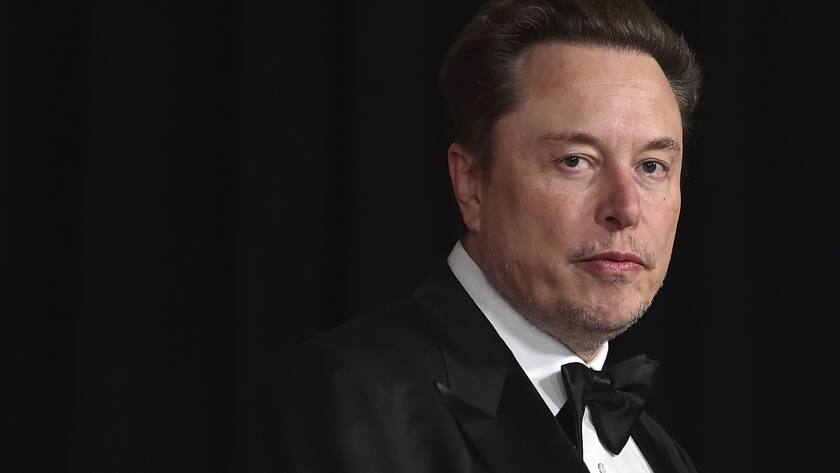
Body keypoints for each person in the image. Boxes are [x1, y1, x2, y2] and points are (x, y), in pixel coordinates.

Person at [266, 0, 702, 472]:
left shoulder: (662, 456)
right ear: (471, 183)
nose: (626, 208)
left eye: (652, 167)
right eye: (575, 160)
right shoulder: (346, 398)